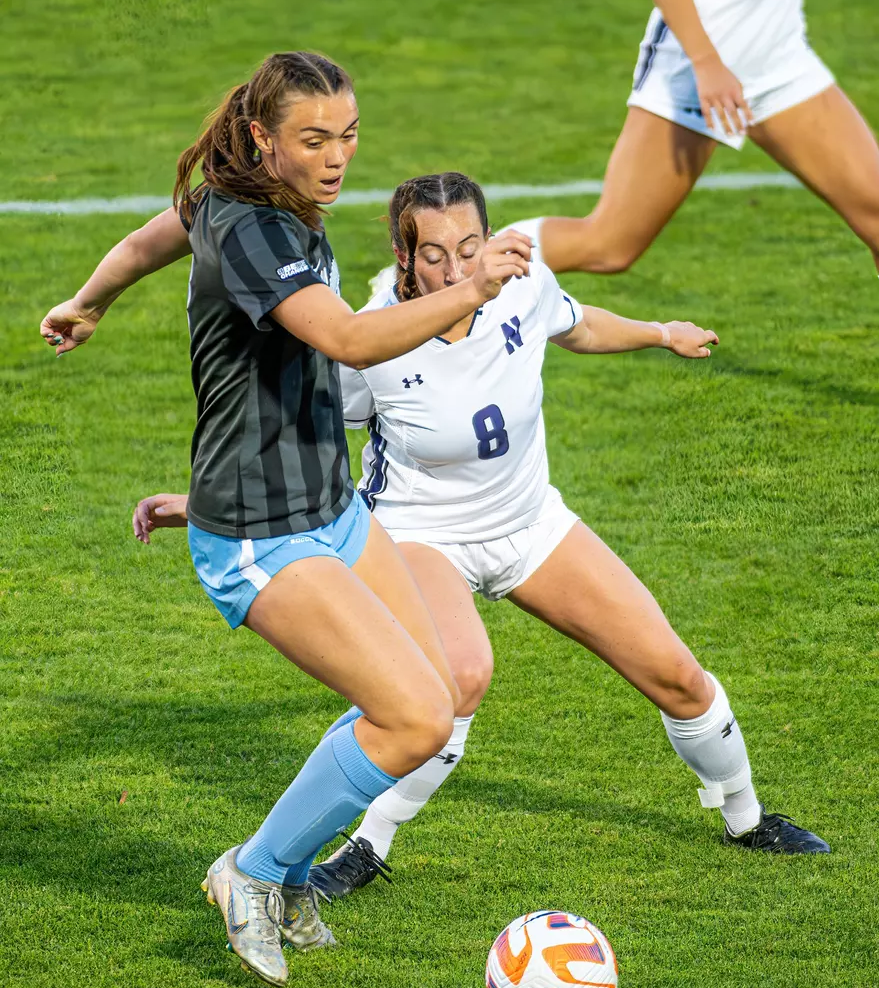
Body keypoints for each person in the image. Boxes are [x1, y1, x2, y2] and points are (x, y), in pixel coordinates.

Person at [133, 172, 830, 906]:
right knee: (457, 678)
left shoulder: (520, 282)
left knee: (676, 676)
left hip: (532, 523)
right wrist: (212, 505)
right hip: (420, 535)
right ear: (403, 259)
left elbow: (576, 323)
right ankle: (364, 846)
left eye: (470, 245)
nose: (458, 267)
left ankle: (747, 820)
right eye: (434, 254)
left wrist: (661, 333)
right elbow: (295, 435)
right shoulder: (370, 337)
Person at [39, 55, 532, 988]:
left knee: (440, 683)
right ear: (265, 139)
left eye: (347, 136)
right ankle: (253, 873)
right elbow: (346, 338)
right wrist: (467, 291)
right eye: (315, 140)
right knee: (414, 714)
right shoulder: (258, 229)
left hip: (330, 508)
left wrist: (90, 298)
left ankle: (294, 869)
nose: (338, 157)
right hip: (263, 536)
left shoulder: (238, 199)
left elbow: (156, 236)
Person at [502, 0, 879, 278]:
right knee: (608, 245)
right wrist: (706, 63)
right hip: (693, 64)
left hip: (780, 61)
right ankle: (469, 272)